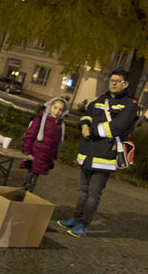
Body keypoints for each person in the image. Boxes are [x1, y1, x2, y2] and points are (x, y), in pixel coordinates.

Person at [57, 69, 138, 237]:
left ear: (126, 84)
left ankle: (83, 225)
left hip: (106, 156)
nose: (113, 83)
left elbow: (116, 127)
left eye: (117, 80)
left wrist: (91, 130)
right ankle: (75, 218)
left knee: (93, 194)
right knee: (82, 190)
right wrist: (84, 125)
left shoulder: (130, 104)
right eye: (111, 80)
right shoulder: (102, 98)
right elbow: (87, 114)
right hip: (88, 152)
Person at [20, 97, 67, 192]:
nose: (57, 111)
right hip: (34, 156)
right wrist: (27, 154)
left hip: (44, 158)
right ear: (50, 107)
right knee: (30, 181)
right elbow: (29, 137)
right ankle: (21, 201)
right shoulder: (41, 119)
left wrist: (52, 159)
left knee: (31, 181)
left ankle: (22, 200)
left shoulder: (59, 125)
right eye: (55, 107)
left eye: (60, 109)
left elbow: (55, 145)